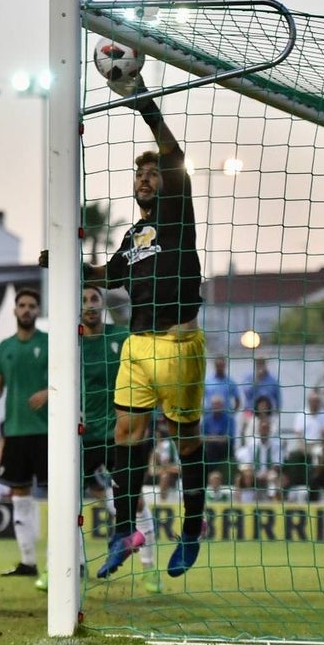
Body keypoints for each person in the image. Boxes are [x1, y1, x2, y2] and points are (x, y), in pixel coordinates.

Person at [63, 74, 208, 579]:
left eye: (153, 173)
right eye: (140, 175)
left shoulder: (177, 213)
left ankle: (192, 527)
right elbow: (111, 276)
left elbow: (171, 153)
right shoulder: (135, 233)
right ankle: (127, 530)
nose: (146, 179)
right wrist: (67, 264)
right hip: (137, 345)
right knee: (128, 435)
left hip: (178, 343)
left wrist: (141, 100)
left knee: (185, 440)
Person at [65, 284, 158, 593]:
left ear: (102, 305)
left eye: (95, 299)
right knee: (69, 502)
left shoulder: (120, 337)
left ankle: (149, 570)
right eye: (84, 300)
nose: (90, 304)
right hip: (84, 434)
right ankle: (69, 566)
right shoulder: (69, 343)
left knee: (136, 498)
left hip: (120, 434)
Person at [0, 288, 48, 579]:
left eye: (32, 305)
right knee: (19, 494)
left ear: (38, 311)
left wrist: (48, 392)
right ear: (15, 311)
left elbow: (68, 379)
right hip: (14, 431)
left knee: (56, 494)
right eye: (22, 305)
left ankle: (64, 562)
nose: (26, 310)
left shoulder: (50, 344)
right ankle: (28, 562)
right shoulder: (4, 348)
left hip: (46, 431)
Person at [294, 388, 324, 465]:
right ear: (308, 401)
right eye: (312, 401)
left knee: (318, 453)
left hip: (319, 443)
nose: (315, 403)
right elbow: (298, 434)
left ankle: (316, 475)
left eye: (317, 401)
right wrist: (303, 447)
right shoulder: (301, 414)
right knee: (294, 455)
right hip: (304, 444)